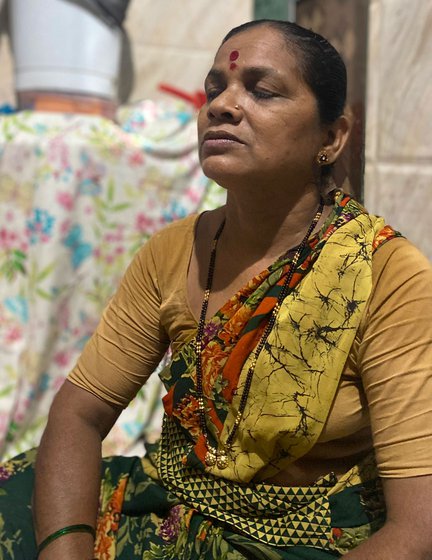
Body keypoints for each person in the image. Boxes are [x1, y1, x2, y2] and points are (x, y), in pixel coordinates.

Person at [1, 19, 432, 560]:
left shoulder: (388, 276)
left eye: (261, 90)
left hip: (302, 543)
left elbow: (418, 529)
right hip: (169, 508)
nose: (221, 106)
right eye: (215, 89)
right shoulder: (173, 251)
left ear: (331, 137)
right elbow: (80, 413)